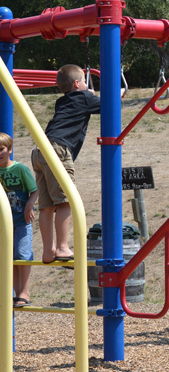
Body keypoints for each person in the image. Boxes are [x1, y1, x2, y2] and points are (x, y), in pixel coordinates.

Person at [31, 64, 100, 264]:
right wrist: (116, 93)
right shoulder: (85, 98)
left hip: (39, 150)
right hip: (58, 150)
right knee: (65, 200)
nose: (87, 85)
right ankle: (62, 248)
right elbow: (110, 104)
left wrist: (88, 95)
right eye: (85, 81)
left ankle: (48, 251)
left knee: (46, 206)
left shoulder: (61, 102)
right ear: (77, 84)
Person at [0, 132, 38, 307]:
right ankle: (16, 293)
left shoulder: (20, 169)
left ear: (9, 150)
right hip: (4, 223)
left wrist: (30, 204)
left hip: (22, 219)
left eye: (1, 149)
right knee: (10, 256)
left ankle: (25, 292)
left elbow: (35, 190)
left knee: (23, 254)